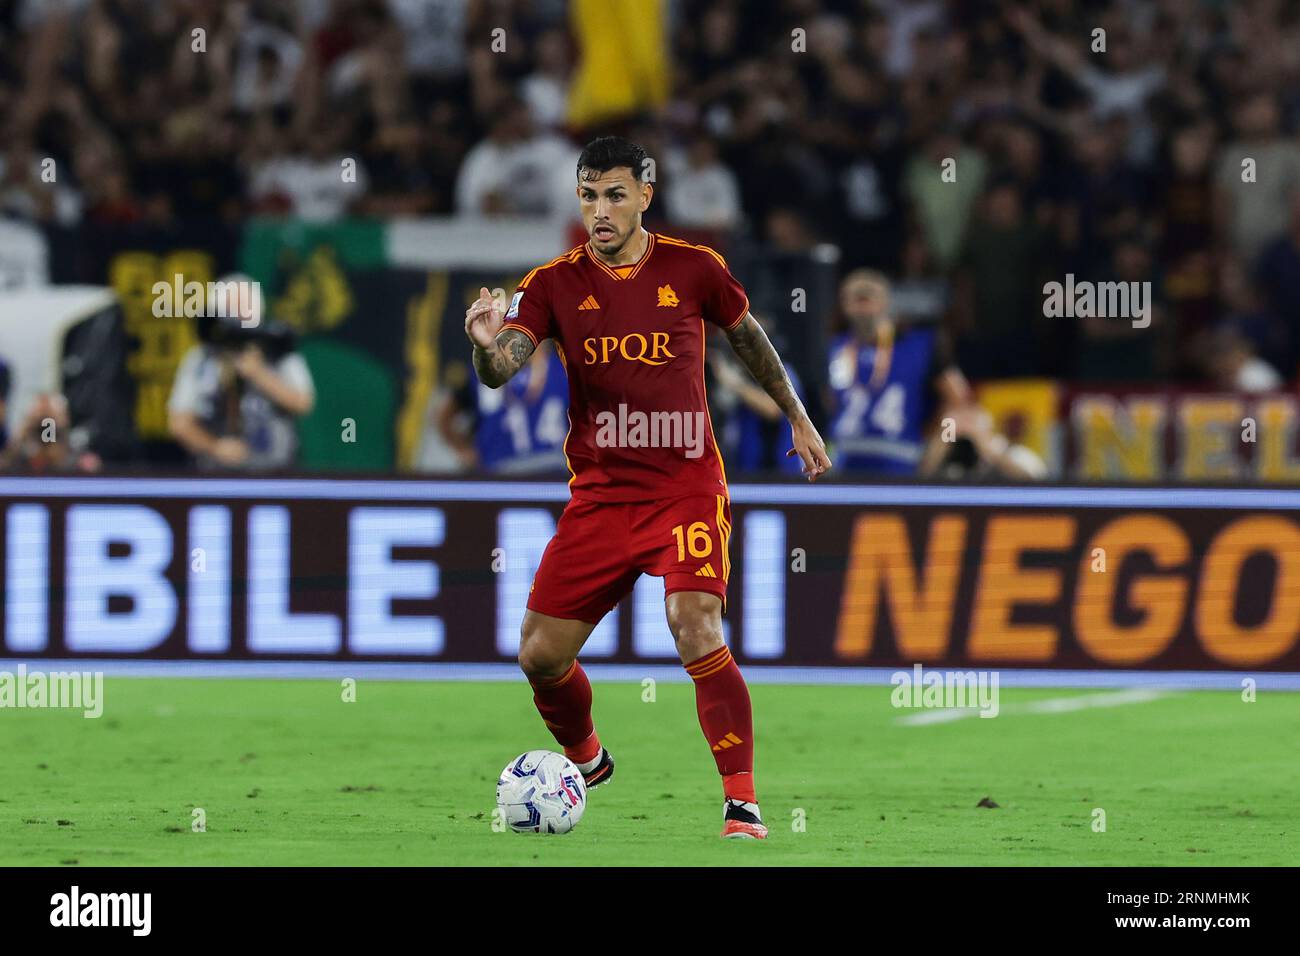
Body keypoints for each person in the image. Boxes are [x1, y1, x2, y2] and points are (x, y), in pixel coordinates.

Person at [465, 136, 831, 840]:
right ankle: (586, 758)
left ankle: (742, 801)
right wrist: (487, 349)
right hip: (601, 497)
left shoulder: (694, 269)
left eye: (614, 195)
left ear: (644, 197)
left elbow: (749, 338)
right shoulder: (551, 285)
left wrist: (799, 417)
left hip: (685, 487)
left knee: (694, 624)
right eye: (588, 196)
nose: (600, 210)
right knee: (539, 654)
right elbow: (506, 365)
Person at [827, 269, 968, 475]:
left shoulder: (920, 344)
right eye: (854, 297)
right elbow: (827, 403)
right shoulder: (835, 348)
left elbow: (959, 403)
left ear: (886, 300)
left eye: (867, 296)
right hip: (844, 466)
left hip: (900, 464)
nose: (862, 306)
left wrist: (933, 454)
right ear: (843, 304)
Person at [168, 279, 316, 471]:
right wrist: (216, 447)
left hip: (277, 472)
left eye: (243, 308)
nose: (238, 318)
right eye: (230, 309)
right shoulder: (202, 358)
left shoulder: (277, 350)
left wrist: (259, 374)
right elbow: (179, 423)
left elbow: (303, 403)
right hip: (216, 475)